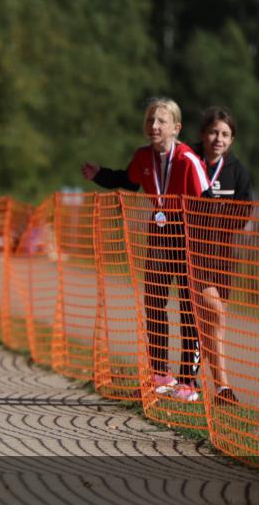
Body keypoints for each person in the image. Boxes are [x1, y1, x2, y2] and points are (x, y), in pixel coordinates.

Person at [81, 97, 210, 402]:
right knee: (154, 303)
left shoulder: (187, 159)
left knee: (189, 308)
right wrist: (99, 174)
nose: (154, 126)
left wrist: (201, 244)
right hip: (160, 232)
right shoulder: (143, 157)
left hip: (189, 236)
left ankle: (188, 381)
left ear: (175, 127)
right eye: (151, 120)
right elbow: (130, 181)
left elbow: (208, 204)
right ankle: (160, 374)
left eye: (161, 121)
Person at [186, 106, 253, 405]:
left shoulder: (237, 171)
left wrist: (227, 216)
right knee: (215, 315)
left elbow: (245, 210)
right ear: (203, 134)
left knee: (208, 322)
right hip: (194, 251)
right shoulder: (190, 161)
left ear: (232, 139)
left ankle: (198, 381)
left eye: (225, 134)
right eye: (213, 132)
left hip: (224, 255)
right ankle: (223, 386)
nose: (218, 139)